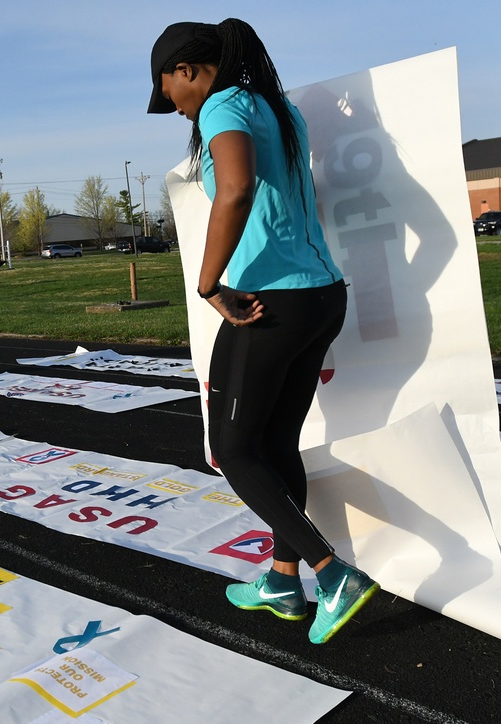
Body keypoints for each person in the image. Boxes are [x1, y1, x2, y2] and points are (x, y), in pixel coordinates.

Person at [147, 19, 378, 644]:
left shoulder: (224, 104)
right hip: (321, 296)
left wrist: (207, 284)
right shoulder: (280, 109)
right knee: (275, 445)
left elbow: (237, 189)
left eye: (168, 89)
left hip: (267, 302)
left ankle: (332, 575)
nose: (172, 104)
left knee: (233, 450)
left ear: (190, 70)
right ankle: (282, 579)